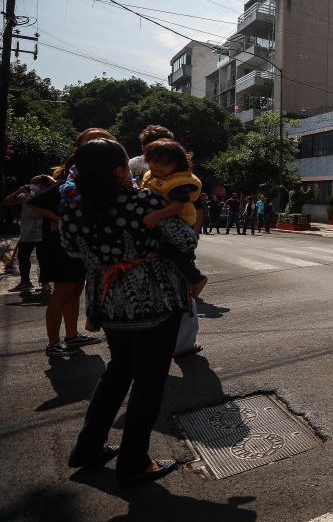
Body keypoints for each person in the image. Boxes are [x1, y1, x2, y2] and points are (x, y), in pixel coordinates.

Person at [61, 138, 193, 486]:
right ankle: (133, 461)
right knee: (148, 382)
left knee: (117, 371)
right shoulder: (142, 200)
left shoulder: (72, 205)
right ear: (121, 170)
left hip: (109, 303)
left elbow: (70, 248)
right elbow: (185, 240)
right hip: (155, 303)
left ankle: (87, 448)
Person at [28, 127, 112, 357]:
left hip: (80, 247)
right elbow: (33, 202)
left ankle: (71, 336)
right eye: (93, 140)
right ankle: (53, 342)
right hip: (60, 246)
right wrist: (61, 218)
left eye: (104, 139)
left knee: (75, 290)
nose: (99, 143)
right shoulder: (68, 182)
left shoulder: (97, 181)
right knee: (63, 291)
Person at [139, 139, 207, 297]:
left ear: (177, 164)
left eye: (165, 163)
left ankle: (197, 278)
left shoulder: (180, 181)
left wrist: (156, 216)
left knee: (176, 252)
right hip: (165, 223)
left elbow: (177, 206)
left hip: (181, 223)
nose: (157, 166)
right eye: (154, 161)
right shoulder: (153, 176)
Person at [4, 175, 54, 293]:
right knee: (23, 258)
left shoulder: (48, 195)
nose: (33, 185)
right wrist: (19, 191)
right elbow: (7, 202)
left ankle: (45, 283)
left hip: (43, 233)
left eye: (36, 183)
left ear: (44, 185)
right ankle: (25, 282)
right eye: (31, 183)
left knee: (43, 259)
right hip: (27, 233)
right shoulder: (25, 196)